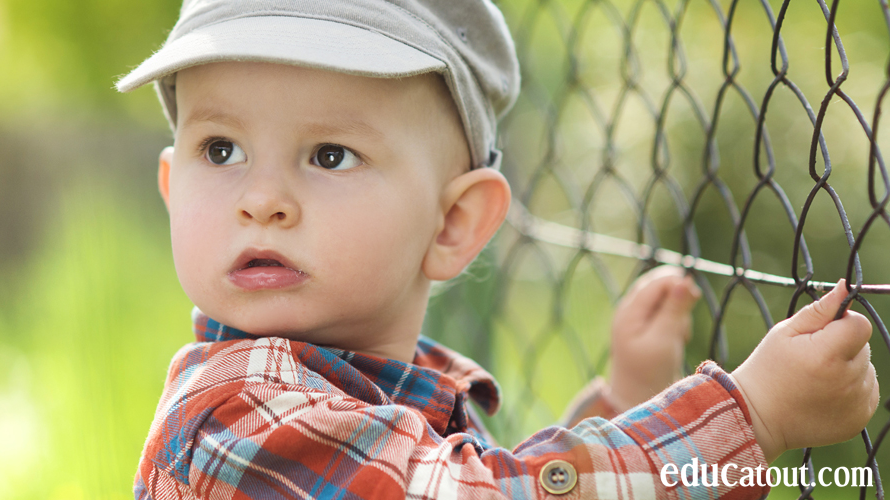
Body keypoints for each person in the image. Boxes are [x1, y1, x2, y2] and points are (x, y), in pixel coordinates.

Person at [116, 1, 878, 498]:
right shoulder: (237, 414)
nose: (261, 198)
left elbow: (475, 478)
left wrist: (624, 408)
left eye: (328, 155)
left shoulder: (375, 394)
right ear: (170, 186)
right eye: (219, 150)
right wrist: (748, 417)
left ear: (453, 224)